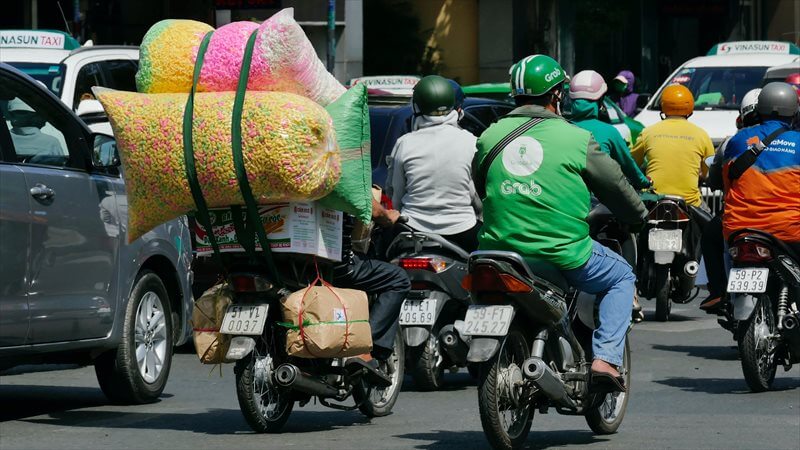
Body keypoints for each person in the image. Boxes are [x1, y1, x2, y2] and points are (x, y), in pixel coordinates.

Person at [475, 54, 646, 391]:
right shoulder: (575, 138)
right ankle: (605, 359)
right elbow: (616, 187)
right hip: (563, 252)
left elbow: (483, 188)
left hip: (498, 252)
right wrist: (637, 217)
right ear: (556, 95)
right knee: (622, 277)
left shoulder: (489, 135)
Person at [386, 75, 481, 252]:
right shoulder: (471, 141)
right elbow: (475, 193)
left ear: (416, 106)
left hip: (413, 229)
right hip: (463, 229)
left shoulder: (405, 143)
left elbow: (396, 194)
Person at [699, 88, 763, 313]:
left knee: (709, 235)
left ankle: (717, 291)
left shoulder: (731, 143)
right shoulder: (791, 140)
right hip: (782, 219)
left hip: (736, 220)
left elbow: (714, 179)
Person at [336, 197, 411, 383]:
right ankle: (364, 349)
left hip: (282, 260)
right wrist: (388, 216)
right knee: (399, 279)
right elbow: (370, 206)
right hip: (336, 262)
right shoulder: (339, 169)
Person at [722, 82, 800, 255]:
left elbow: (727, 184)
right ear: (795, 112)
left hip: (738, 231)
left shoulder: (737, 140)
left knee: (711, 238)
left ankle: (719, 283)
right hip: (789, 232)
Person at [631, 84, 715, 210]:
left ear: (662, 106)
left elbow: (632, 164)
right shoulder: (701, 135)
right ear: (690, 107)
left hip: (653, 202)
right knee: (711, 226)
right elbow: (708, 172)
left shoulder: (647, 132)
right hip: (690, 204)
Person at [569, 70, 651, 190]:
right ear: (601, 100)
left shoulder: (560, 128)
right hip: (597, 201)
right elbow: (629, 166)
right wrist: (645, 182)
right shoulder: (609, 132)